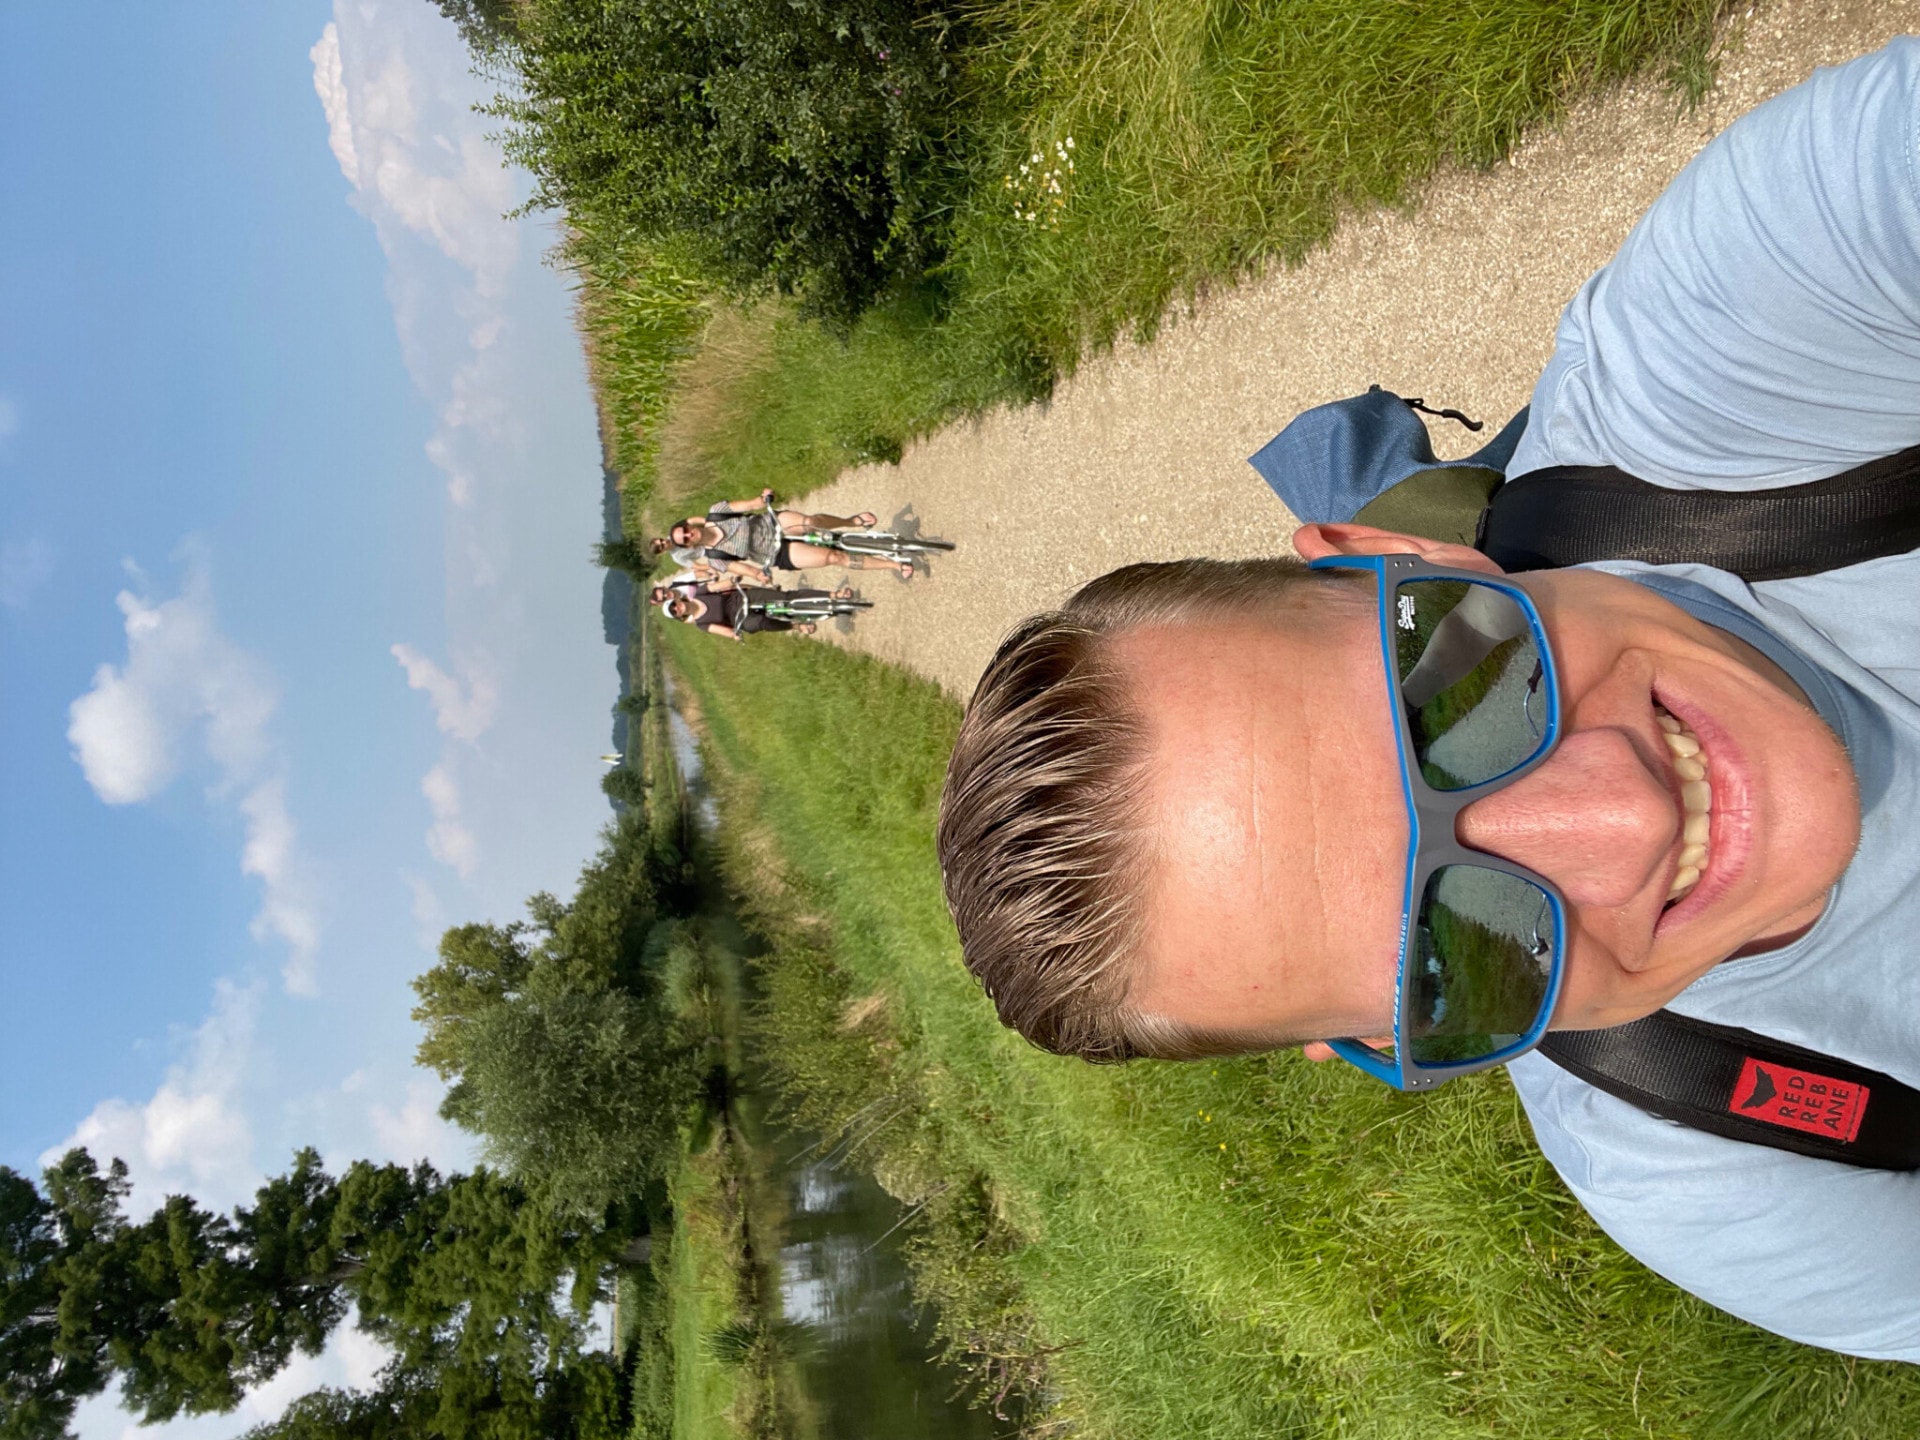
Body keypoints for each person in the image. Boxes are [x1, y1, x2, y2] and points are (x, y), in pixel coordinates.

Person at [936, 40, 1920, 1362]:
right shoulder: (1724, 1176)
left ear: (1396, 559)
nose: (1616, 822)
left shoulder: (1733, 345)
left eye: (1453, 693)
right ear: (1379, 1042)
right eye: (1459, 954)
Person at [656, 489, 913, 580]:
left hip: (772, 523)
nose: (689, 535)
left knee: (811, 523)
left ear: (690, 526)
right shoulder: (715, 558)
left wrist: (763, 497)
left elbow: (749, 505)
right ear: (689, 546)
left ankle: (852, 521)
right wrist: (758, 574)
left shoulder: (717, 512)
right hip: (775, 553)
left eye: (686, 530)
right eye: (685, 540)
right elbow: (741, 570)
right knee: (834, 557)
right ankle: (893, 563)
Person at [666, 576, 854, 639]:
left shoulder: (699, 592)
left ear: (678, 600)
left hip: (743, 597)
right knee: (761, 622)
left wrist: (732, 580)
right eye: (675, 612)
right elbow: (723, 631)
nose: (678, 608)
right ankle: (795, 626)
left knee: (787, 597)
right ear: (679, 617)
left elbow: (719, 586)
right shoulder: (701, 624)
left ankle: (833, 595)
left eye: (675, 605)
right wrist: (735, 636)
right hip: (740, 619)